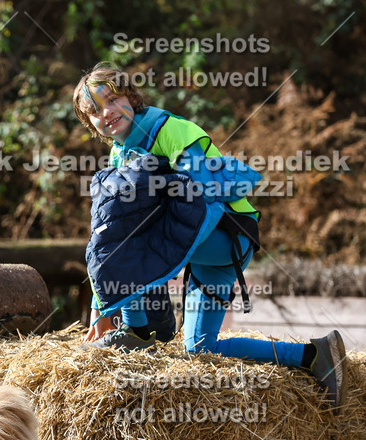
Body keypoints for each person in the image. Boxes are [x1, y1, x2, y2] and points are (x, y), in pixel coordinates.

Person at [73, 63, 347, 410]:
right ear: (90, 124)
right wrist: (102, 306)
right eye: (95, 111)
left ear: (131, 96)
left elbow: (202, 203)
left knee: (132, 235)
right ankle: (315, 355)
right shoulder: (119, 153)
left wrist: (161, 265)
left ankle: (138, 333)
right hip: (197, 244)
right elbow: (106, 236)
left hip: (228, 233)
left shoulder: (172, 131)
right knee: (199, 349)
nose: (107, 112)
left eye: (112, 99)